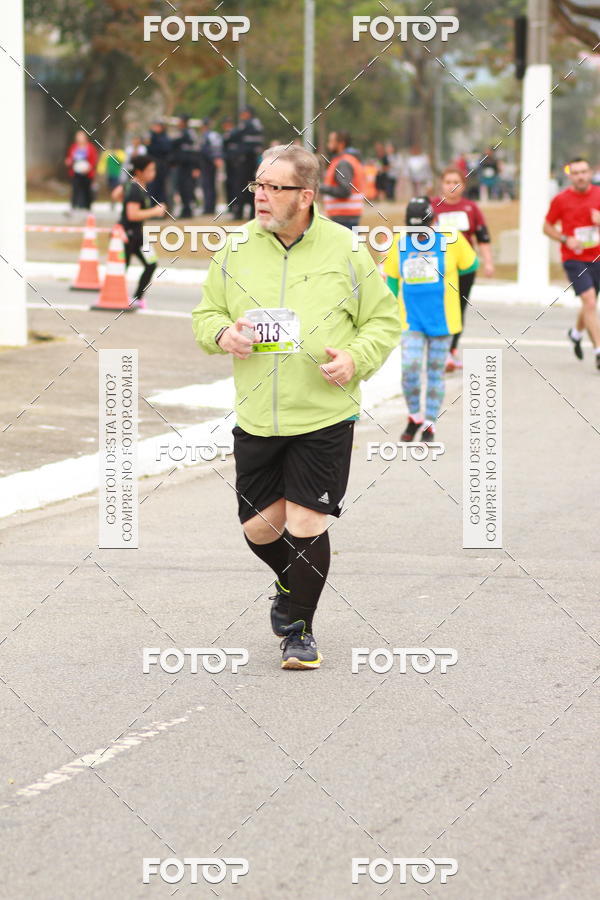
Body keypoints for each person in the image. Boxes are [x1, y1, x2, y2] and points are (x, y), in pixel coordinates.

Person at [192, 144, 402, 669]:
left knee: (307, 522)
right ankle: (292, 582)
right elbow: (205, 315)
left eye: (274, 188)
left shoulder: (346, 249)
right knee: (261, 528)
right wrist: (221, 333)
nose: (260, 197)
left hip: (325, 413)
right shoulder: (235, 249)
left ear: (305, 196)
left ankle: (299, 630)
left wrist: (356, 358)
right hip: (259, 414)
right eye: (257, 186)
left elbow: (384, 320)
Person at [383, 197, 478, 442]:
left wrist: (460, 299)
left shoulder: (451, 239)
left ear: (433, 222)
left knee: (435, 373)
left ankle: (429, 424)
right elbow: (392, 278)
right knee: (410, 369)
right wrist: (390, 312)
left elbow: (470, 266)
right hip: (410, 320)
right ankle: (414, 416)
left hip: (443, 320)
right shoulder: (398, 242)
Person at [431, 166, 494, 371]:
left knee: (458, 308)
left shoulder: (470, 208)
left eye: (455, 182)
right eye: (448, 182)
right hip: (438, 266)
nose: (451, 186)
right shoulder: (432, 206)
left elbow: (482, 237)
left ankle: (451, 350)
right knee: (439, 306)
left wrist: (488, 262)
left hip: (464, 267)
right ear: (442, 184)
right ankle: (436, 349)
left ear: (463, 186)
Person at [544, 157, 600, 370]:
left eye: (584, 171)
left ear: (590, 173)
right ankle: (598, 352)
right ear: (570, 176)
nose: (580, 176)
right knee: (590, 300)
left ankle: (575, 334)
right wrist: (566, 239)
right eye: (576, 173)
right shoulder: (561, 199)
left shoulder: (598, 194)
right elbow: (547, 227)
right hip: (574, 258)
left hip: (597, 256)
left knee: (589, 303)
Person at [119, 155, 165, 309]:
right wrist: (155, 212)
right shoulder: (134, 189)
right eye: (150, 170)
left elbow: (116, 194)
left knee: (151, 263)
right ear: (139, 171)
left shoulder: (138, 186)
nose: (153, 173)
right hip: (126, 234)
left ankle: (137, 298)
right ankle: (114, 296)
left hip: (138, 234)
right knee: (121, 268)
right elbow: (132, 214)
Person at [320, 130, 367, 229]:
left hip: (344, 217)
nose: (328, 145)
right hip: (345, 215)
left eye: (331, 141)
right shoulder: (345, 160)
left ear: (341, 144)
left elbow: (345, 190)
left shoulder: (343, 163)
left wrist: (321, 188)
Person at [232, 106, 264, 220]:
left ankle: (239, 212)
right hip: (254, 159)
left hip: (246, 160)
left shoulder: (247, 124)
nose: (241, 116)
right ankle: (252, 212)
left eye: (243, 113)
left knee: (241, 186)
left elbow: (233, 135)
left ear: (248, 114)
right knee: (253, 185)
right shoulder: (257, 124)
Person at [172, 115, 198, 218]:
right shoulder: (182, 133)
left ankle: (188, 210)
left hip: (189, 166)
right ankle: (185, 209)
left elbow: (195, 151)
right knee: (181, 188)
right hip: (181, 165)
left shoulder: (188, 134)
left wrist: (196, 167)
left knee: (187, 188)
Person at [65, 130, 98, 211]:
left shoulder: (90, 147)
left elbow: (94, 159)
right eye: (78, 137)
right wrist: (68, 161)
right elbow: (70, 158)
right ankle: (74, 205)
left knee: (87, 190)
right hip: (76, 172)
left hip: (87, 172)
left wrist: (89, 168)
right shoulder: (74, 147)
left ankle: (87, 207)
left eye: (81, 137)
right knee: (75, 189)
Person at [198, 117, 223, 216]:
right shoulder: (209, 135)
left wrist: (215, 158)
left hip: (208, 164)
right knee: (208, 185)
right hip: (207, 164)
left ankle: (209, 208)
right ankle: (209, 207)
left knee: (208, 186)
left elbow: (211, 149)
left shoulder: (209, 136)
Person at [147, 121, 172, 206]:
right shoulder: (151, 137)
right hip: (152, 166)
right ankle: (152, 207)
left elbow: (166, 149)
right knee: (152, 188)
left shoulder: (164, 138)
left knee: (161, 189)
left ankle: (161, 208)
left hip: (162, 166)